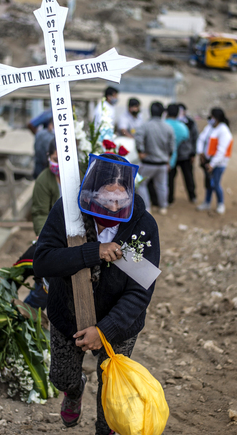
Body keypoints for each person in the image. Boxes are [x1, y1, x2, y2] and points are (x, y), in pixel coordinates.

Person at [33, 153, 160, 435]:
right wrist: (94, 252)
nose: (113, 207)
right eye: (106, 200)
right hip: (68, 314)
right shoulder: (68, 212)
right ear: (91, 194)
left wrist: (103, 331)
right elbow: (43, 261)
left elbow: (140, 293)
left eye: (120, 200)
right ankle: (74, 390)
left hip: (118, 325)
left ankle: (105, 430)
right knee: (62, 377)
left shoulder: (142, 226)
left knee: (111, 392)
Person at [21, 139, 61, 309]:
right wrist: (44, 234)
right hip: (54, 239)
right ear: (48, 157)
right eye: (55, 159)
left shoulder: (79, 176)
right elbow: (40, 212)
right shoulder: (44, 180)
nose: (58, 164)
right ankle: (23, 318)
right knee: (44, 291)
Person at [135, 101, 175, 215]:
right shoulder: (168, 127)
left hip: (148, 162)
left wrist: (140, 151)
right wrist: (168, 159)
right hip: (162, 162)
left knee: (142, 184)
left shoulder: (145, 126)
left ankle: (147, 207)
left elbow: (138, 139)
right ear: (163, 113)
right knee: (162, 185)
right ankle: (163, 207)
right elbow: (172, 146)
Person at [196, 108, 233, 215]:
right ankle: (207, 202)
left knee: (216, 183)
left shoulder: (224, 131)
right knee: (209, 183)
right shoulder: (210, 127)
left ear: (216, 118)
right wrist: (201, 152)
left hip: (219, 163)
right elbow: (201, 139)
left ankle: (220, 204)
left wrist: (212, 164)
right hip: (208, 161)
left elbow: (221, 150)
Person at [164, 103, 193, 205]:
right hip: (176, 156)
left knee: (168, 180)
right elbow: (186, 138)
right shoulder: (183, 127)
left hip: (162, 158)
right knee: (187, 177)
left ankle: (168, 200)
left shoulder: (163, 124)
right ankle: (192, 196)